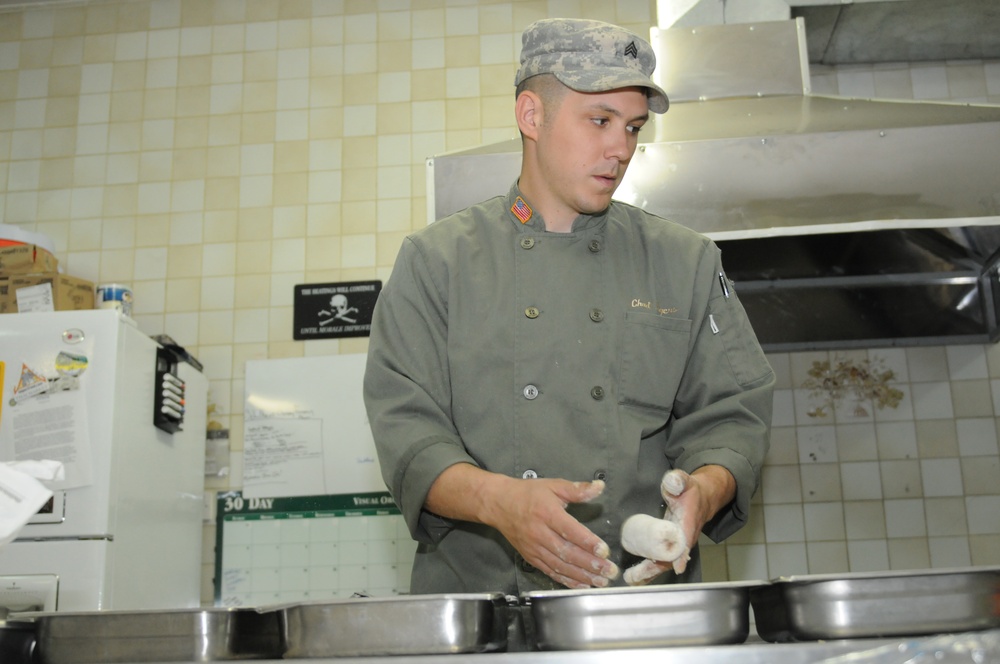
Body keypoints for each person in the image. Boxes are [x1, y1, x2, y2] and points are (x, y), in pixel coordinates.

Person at [363, 17, 774, 595]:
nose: (621, 149)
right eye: (600, 121)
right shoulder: (438, 263)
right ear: (532, 116)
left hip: (640, 611)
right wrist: (499, 501)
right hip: (483, 615)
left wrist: (702, 493)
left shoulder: (685, 261)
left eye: (632, 127)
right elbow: (408, 431)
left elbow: (733, 413)